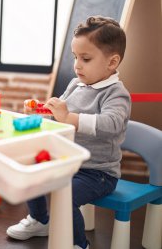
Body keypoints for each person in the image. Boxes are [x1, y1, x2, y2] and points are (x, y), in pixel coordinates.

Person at [7, 16, 131, 249]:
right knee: (31, 170)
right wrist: (40, 110)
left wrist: (70, 118)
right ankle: (39, 220)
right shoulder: (76, 84)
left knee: (65, 196)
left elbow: (112, 123)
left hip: (98, 172)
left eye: (85, 59)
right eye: (75, 57)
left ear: (112, 62)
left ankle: (78, 244)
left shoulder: (116, 93)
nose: (77, 65)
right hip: (67, 160)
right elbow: (58, 114)